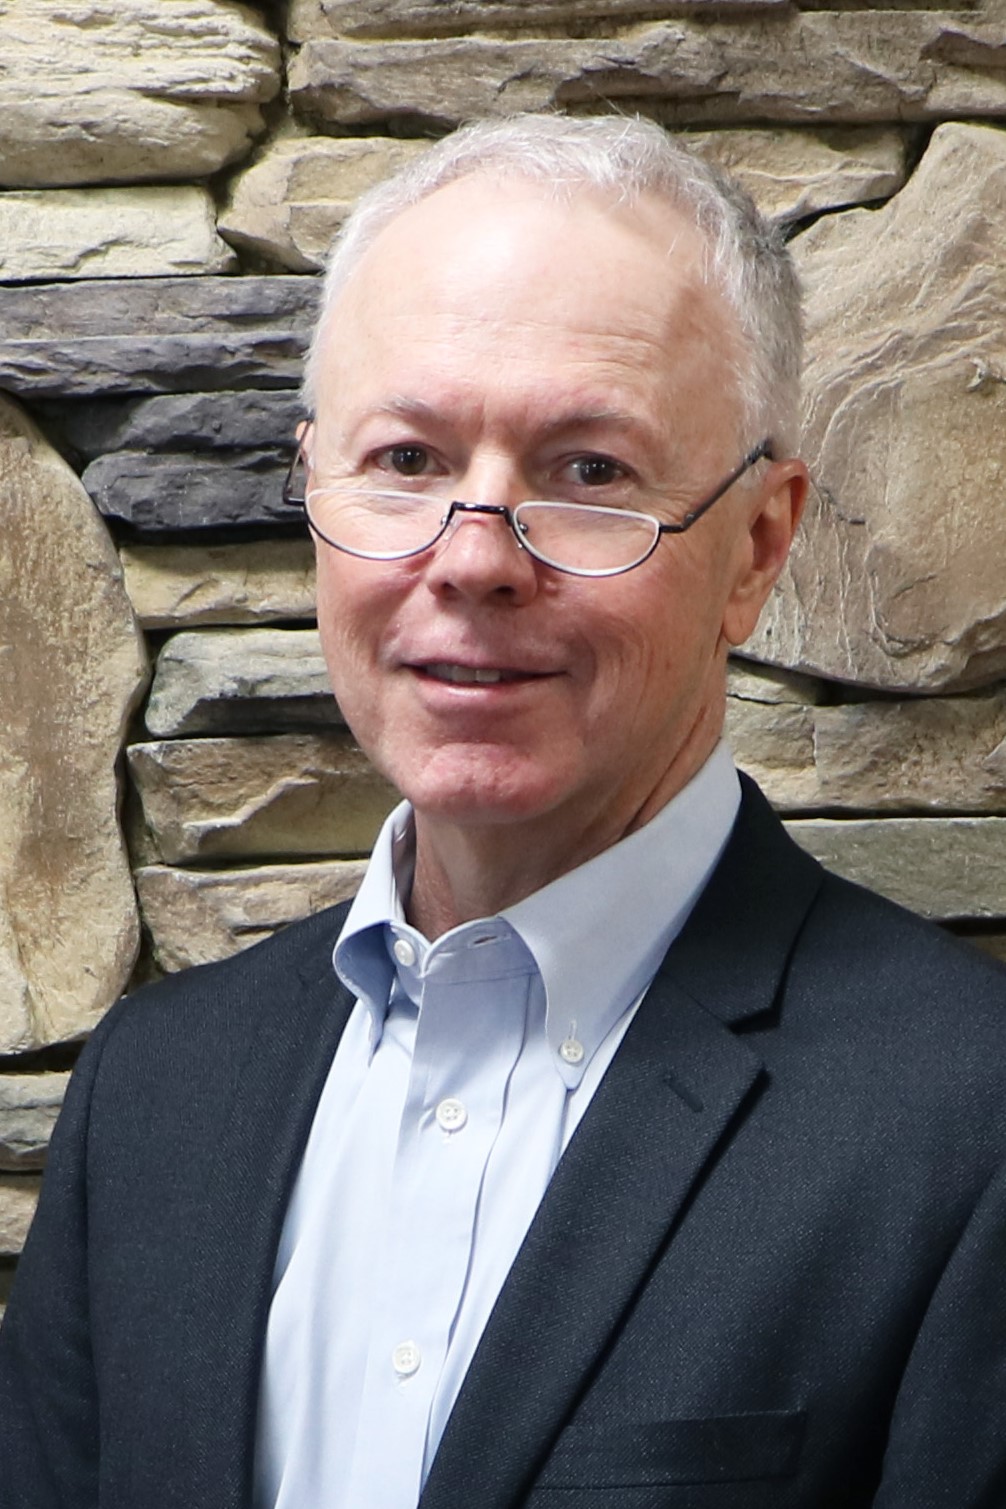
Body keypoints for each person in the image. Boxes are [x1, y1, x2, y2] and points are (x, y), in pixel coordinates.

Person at [2, 113, 1006, 1509]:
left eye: (588, 471)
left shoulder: (967, 1119)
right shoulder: (154, 1092)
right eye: (406, 458)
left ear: (755, 548)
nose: (472, 557)